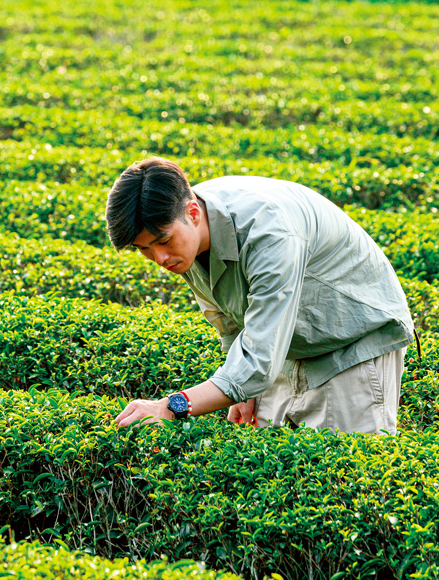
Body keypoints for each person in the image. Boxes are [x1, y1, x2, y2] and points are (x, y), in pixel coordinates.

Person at [107, 157, 415, 434]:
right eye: (144, 249)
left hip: (350, 345)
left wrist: (170, 406)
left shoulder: (269, 234)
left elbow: (258, 360)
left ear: (193, 213)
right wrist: (244, 388)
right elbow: (229, 321)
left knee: (340, 484)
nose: (159, 258)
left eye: (163, 241)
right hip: (289, 345)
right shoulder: (187, 235)